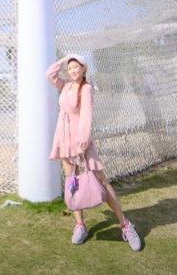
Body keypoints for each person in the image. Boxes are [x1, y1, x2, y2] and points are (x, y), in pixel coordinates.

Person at [47, 53, 142, 251]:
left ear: (84, 69)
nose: (73, 70)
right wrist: (64, 59)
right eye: (70, 67)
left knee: (102, 182)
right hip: (64, 139)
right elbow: (50, 74)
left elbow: (86, 117)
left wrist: (81, 146)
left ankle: (125, 225)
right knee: (72, 182)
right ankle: (80, 225)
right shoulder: (65, 85)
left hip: (81, 142)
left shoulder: (86, 88)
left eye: (76, 67)